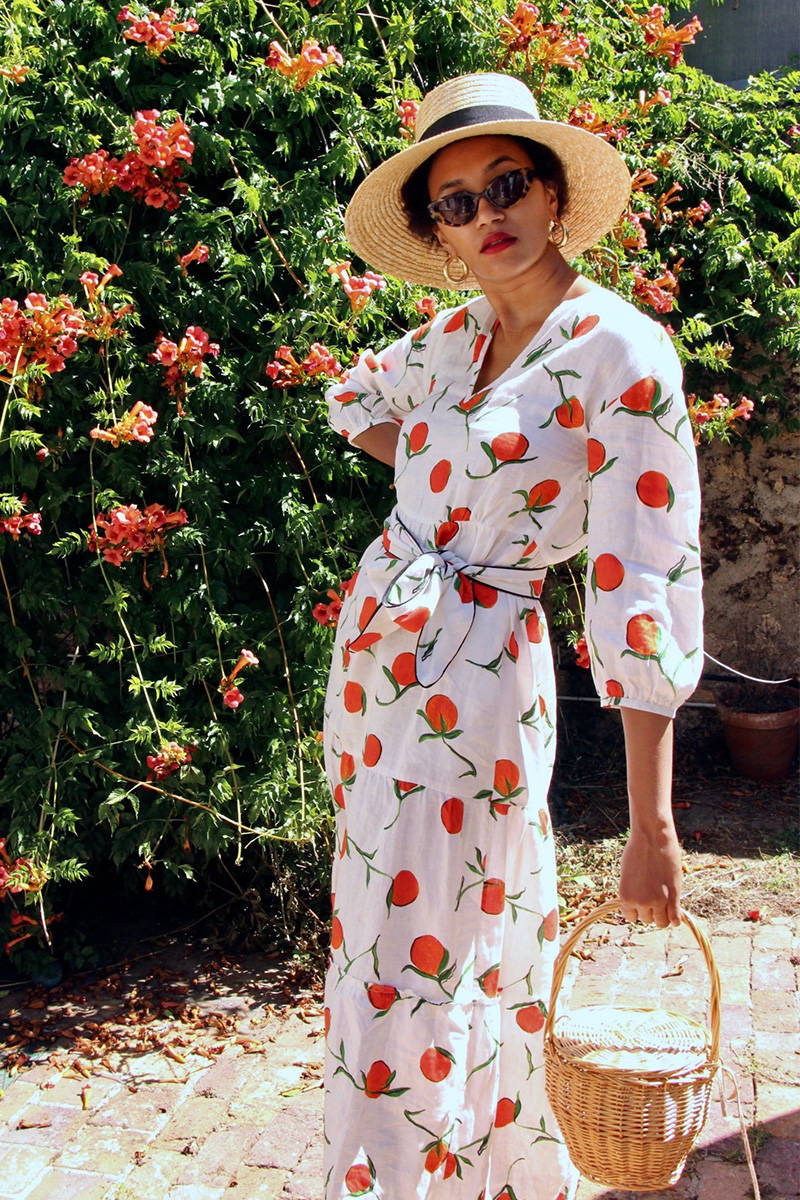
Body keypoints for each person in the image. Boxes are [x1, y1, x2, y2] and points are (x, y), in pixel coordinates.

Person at [321, 72, 703, 1200]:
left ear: (550, 195)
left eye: (505, 185)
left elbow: (643, 587)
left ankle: (433, 1179)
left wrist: (652, 825)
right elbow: (354, 402)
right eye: (454, 202)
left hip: (480, 683)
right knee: (381, 943)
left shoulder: (618, 355)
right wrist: (439, 512)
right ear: (435, 231)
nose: (485, 215)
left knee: (437, 954)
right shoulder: (452, 338)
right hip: (376, 672)